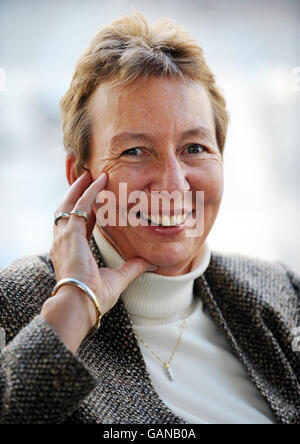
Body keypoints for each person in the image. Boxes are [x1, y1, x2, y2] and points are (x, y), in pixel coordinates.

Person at [0, 12, 299, 425]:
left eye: (194, 148)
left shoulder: (283, 291)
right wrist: (73, 305)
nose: (173, 185)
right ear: (78, 177)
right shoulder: (14, 304)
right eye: (135, 151)